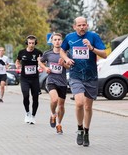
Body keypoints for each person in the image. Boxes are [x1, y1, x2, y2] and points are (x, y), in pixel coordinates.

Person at [60, 16, 107, 146]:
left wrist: (92, 48)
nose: (82, 27)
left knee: (88, 106)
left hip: (91, 76)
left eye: (84, 25)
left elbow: (104, 54)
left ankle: (86, 131)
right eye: (79, 25)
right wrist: (66, 59)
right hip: (76, 75)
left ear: (87, 25)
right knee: (79, 103)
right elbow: (62, 51)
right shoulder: (69, 37)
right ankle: (80, 129)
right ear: (74, 26)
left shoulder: (93, 36)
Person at [38, 33, 70, 134]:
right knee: (54, 99)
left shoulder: (66, 54)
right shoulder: (48, 53)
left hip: (62, 82)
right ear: (52, 42)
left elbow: (69, 67)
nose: (57, 41)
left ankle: (59, 124)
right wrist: (45, 68)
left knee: (61, 106)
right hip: (51, 80)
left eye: (59, 39)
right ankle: (52, 114)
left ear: (62, 41)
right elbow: (39, 61)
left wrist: (63, 64)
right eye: (55, 40)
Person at [15, 35, 43, 124]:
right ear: (27, 43)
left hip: (34, 78)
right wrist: (17, 65)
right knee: (26, 95)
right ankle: (27, 113)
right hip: (24, 78)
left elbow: (43, 62)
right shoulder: (21, 52)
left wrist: (40, 61)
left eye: (33, 43)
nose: (31, 45)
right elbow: (17, 60)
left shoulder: (38, 52)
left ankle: (33, 116)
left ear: (35, 43)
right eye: (30, 43)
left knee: (35, 98)